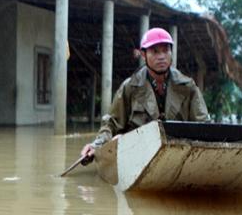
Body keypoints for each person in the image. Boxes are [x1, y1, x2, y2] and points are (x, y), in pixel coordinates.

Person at [81, 27, 210, 159]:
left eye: (166, 50)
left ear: (171, 52)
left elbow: (203, 126)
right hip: (138, 151)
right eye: (155, 51)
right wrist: (97, 145)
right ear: (143, 55)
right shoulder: (130, 87)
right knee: (117, 139)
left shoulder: (188, 87)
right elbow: (111, 123)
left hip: (177, 151)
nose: (161, 57)